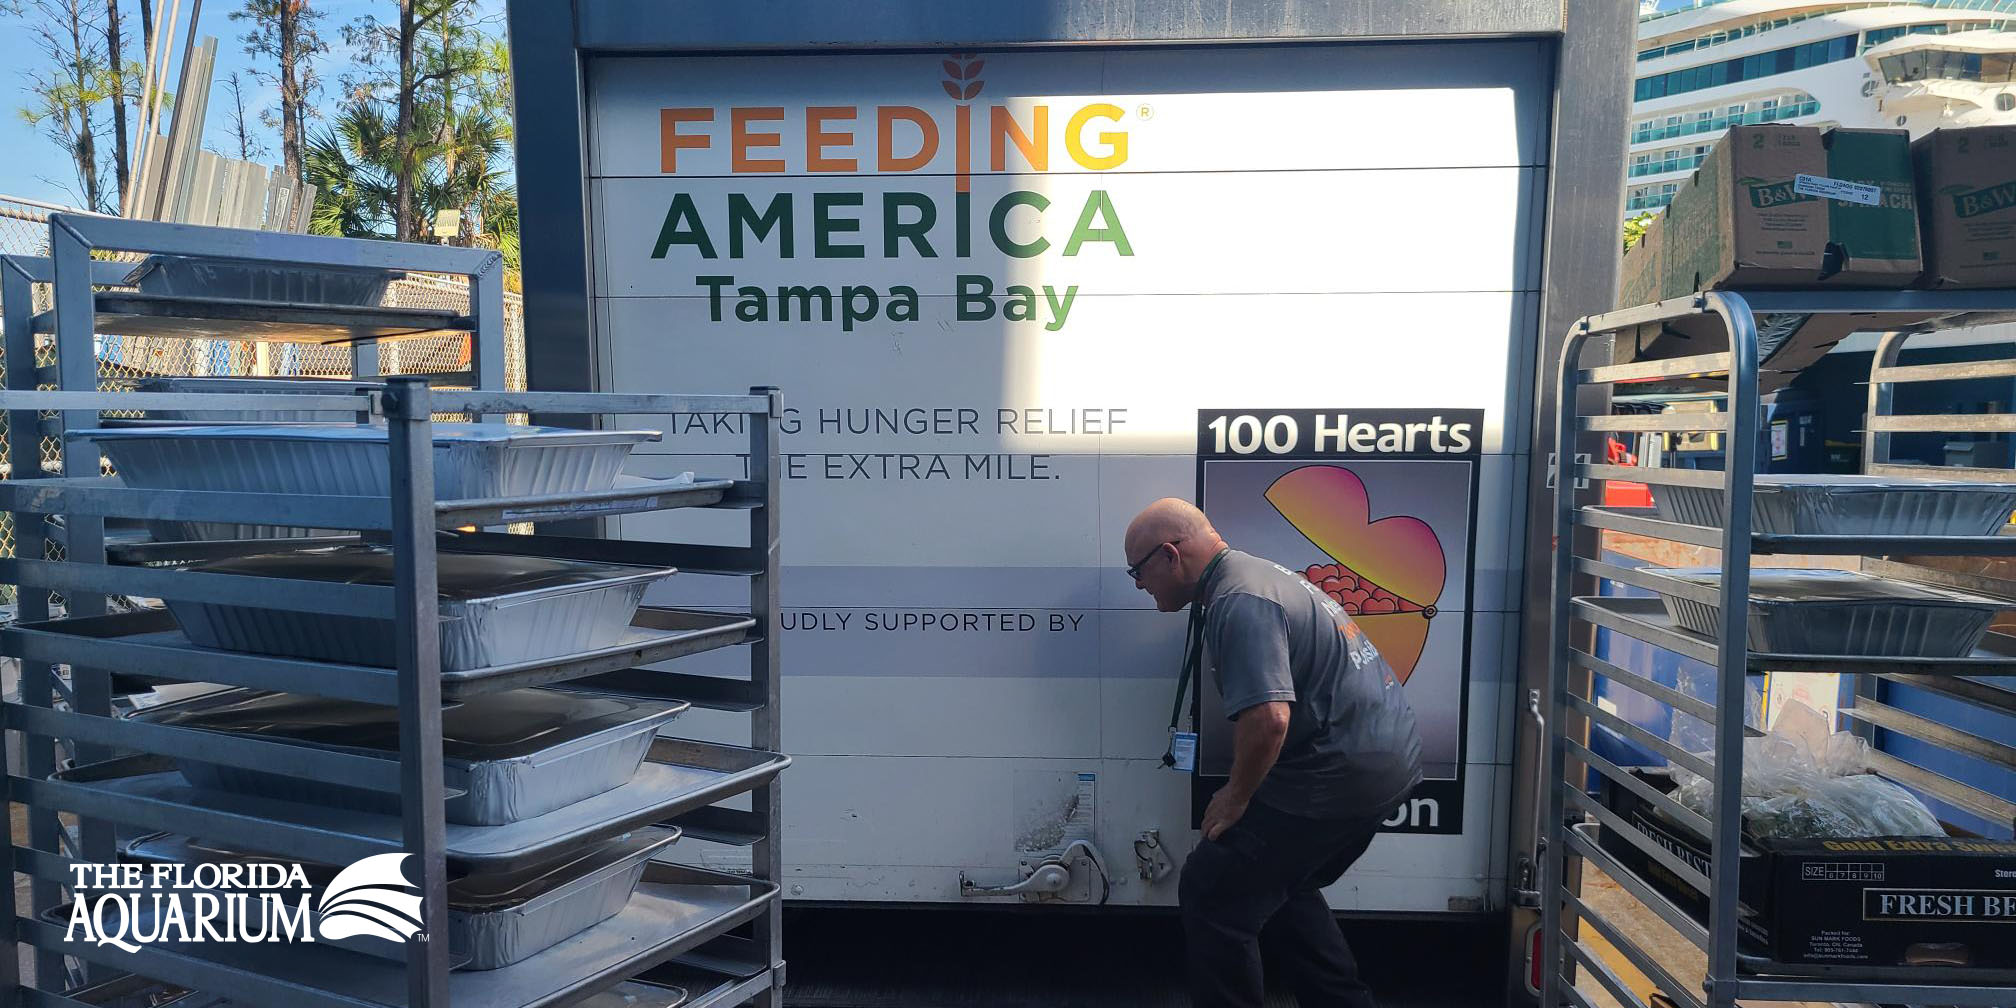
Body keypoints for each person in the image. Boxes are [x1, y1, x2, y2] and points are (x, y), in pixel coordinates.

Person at [1123, 497, 1423, 1008]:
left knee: (1212, 891)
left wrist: (1236, 798)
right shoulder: (1255, 576)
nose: (1138, 585)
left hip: (1336, 772)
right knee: (1279, 884)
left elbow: (1269, 718)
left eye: (1138, 571)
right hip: (1381, 765)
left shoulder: (1240, 600)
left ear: (1170, 556)